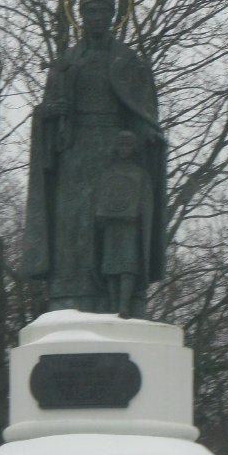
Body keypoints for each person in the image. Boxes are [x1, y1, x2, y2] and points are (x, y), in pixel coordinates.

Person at [23, 0, 166, 316]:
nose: (98, 18)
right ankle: (70, 294)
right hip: (73, 153)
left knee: (115, 226)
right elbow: (46, 113)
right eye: (91, 12)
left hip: (114, 156)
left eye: (104, 12)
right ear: (82, 17)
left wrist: (148, 135)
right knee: (72, 223)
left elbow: (141, 113)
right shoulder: (66, 64)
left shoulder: (129, 63)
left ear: (113, 17)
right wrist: (49, 113)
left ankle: (119, 297)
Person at [95, 131, 154, 318]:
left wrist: (137, 213)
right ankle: (113, 305)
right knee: (111, 268)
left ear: (133, 148)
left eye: (128, 144)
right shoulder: (108, 171)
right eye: (120, 144)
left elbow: (146, 200)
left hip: (130, 227)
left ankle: (124, 306)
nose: (124, 148)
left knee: (127, 268)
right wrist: (101, 214)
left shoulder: (139, 172)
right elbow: (101, 196)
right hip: (112, 227)